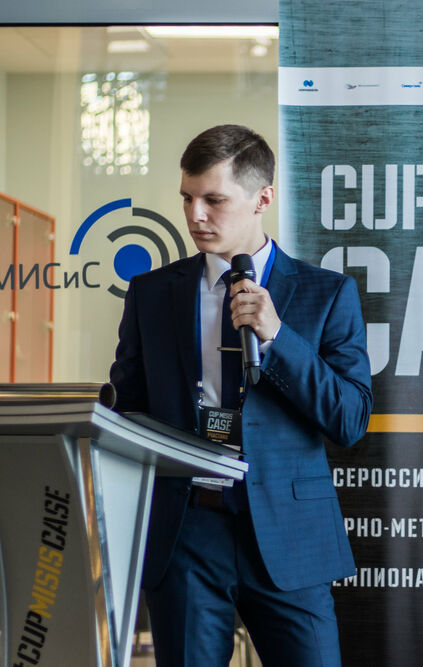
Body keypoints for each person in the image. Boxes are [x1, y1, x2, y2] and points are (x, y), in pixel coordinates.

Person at [110, 124, 372, 666]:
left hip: (290, 536)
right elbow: (128, 410)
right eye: (187, 198)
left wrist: (278, 338)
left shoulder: (327, 293)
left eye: (214, 199)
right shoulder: (151, 294)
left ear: (263, 199)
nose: (195, 215)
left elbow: (350, 419)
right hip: (185, 535)